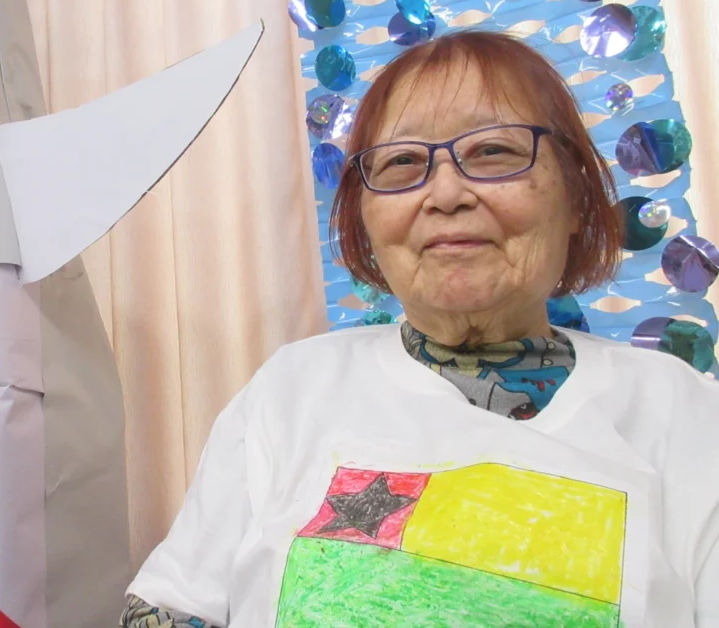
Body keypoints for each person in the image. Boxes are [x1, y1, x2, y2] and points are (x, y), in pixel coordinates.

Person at [120, 31, 719, 627]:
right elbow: (172, 605)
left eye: (493, 151)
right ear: (365, 218)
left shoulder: (684, 413)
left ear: (578, 199)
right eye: (403, 162)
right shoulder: (292, 388)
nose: (446, 194)